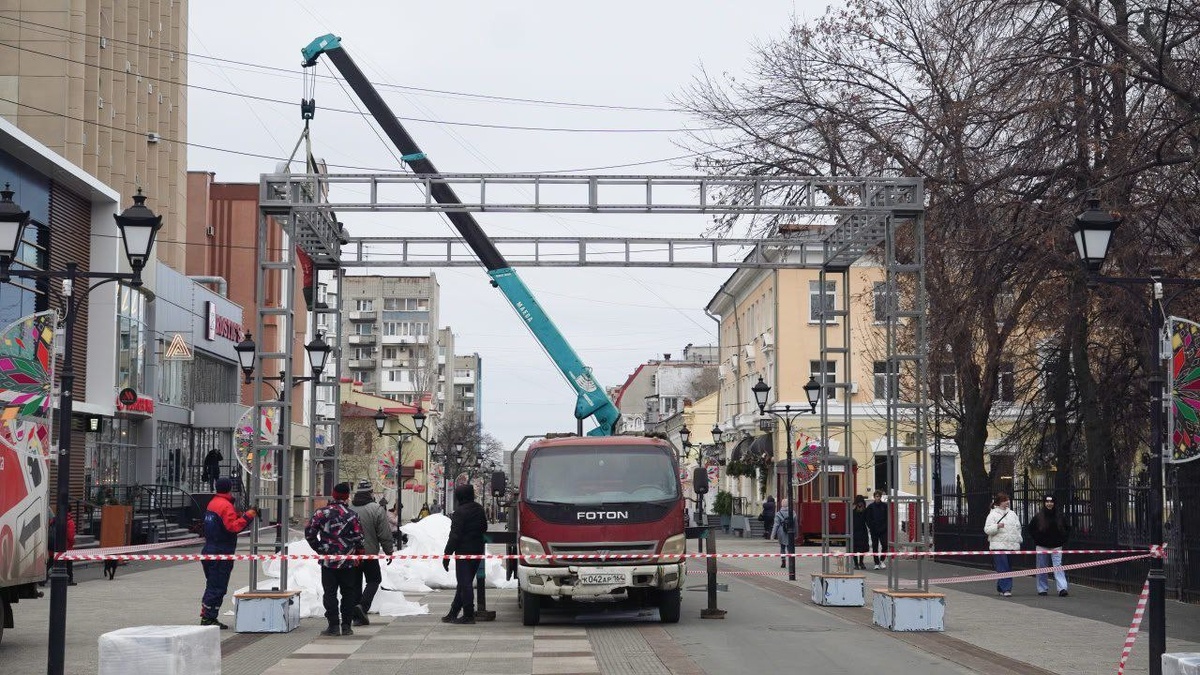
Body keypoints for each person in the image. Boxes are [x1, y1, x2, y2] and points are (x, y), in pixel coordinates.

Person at [305, 481, 366, 636]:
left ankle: (333, 625)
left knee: (330, 593)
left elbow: (309, 533)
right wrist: (358, 553)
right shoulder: (352, 515)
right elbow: (359, 538)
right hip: (348, 562)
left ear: (333, 495)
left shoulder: (321, 513)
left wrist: (319, 548)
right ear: (347, 497)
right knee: (348, 593)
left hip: (328, 561)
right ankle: (346, 626)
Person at [200, 478, 255, 628]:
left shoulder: (213, 503)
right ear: (229, 488)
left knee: (212, 584)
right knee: (218, 586)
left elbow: (220, 524)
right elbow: (233, 527)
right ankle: (208, 618)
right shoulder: (225, 505)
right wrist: (248, 516)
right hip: (221, 552)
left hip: (210, 550)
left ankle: (208, 615)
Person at [441, 483, 488, 625]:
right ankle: (453, 612)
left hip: (463, 553)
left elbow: (454, 536)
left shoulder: (460, 512)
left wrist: (446, 555)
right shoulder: (479, 509)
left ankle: (468, 614)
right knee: (463, 583)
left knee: (465, 583)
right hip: (477, 551)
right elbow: (484, 527)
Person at [349, 480, 394, 626]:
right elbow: (384, 533)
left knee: (355, 583)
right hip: (370, 554)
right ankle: (363, 606)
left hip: (352, 554)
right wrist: (389, 551)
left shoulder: (349, 508)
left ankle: (356, 616)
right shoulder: (376, 509)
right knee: (374, 580)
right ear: (370, 493)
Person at [1028, 494, 1070, 597]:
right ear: (1044, 503)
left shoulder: (1060, 516)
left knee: (1058, 566)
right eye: (1047, 502)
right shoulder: (1038, 517)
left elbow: (1067, 529)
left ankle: (1062, 588)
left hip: (1056, 546)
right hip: (1042, 546)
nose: (1049, 504)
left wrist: (1062, 540)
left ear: (1054, 503)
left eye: (1051, 502)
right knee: (1042, 567)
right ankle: (1042, 589)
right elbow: (1031, 529)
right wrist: (1037, 540)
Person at [984, 491, 1022, 597]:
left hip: (1011, 545)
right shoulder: (993, 514)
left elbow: (1018, 527)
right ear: (999, 502)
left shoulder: (1012, 514)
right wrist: (996, 526)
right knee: (1003, 567)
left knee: (1008, 567)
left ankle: (1001, 587)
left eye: (1008, 500)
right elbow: (987, 529)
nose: (1007, 502)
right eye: (1005, 500)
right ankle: (1006, 589)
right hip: (998, 546)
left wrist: (1018, 539)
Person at [45, 509, 77, 586]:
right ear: (70, 511)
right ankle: (69, 580)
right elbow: (70, 537)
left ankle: (43, 579)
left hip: (53, 545)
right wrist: (72, 544)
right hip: (65, 546)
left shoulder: (54, 520)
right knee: (69, 564)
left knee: (50, 563)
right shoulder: (69, 522)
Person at [864, 490, 888, 569]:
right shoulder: (870, 507)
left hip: (883, 530)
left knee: (884, 545)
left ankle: (882, 560)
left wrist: (885, 526)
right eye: (876, 496)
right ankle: (876, 563)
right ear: (874, 497)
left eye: (879, 496)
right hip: (874, 530)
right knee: (875, 546)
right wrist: (871, 527)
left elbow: (887, 517)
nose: (877, 498)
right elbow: (867, 518)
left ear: (880, 497)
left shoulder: (884, 506)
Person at [769, 499, 795, 569]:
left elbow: (776, 525)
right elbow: (795, 524)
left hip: (781, 532)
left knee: (782, 547)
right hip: (790, 532)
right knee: (790, 548)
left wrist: (772, 535)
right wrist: (796, 533)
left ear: (781, 505)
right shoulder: (793, 512)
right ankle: (791, 562)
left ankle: (783, 562)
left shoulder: (778, 514)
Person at [850, 495, 870, 570]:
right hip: (854, 531)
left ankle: (861, 562)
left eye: (861, 502)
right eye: (859, 502)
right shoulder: (853, 510)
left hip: (862, 531)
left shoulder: (865, 510)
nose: (860, 504)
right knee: (854, 548)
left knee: (862, 548)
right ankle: (855, 563)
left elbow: (867, 520)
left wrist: (870, 527)